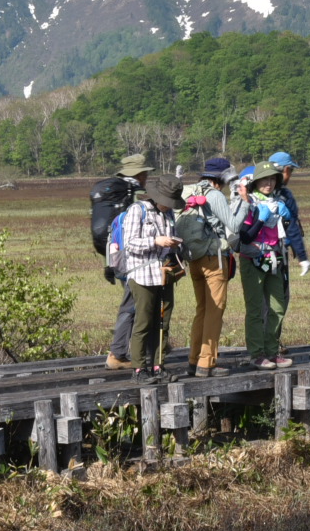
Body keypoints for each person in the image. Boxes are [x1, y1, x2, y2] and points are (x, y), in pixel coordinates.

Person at [179, 158, 242, 377]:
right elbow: (234, 225)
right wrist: (244, 201)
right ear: (222, 178)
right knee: (215, 312)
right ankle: (207, 363)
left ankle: (193, 359)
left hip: (194, 259)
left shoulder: (189, 191)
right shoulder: (215, 195)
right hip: (214, 259)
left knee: (202, 310)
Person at [119, 173, 183, 383]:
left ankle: (158, 366)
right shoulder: (137, 210)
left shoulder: (169, 214)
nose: (168, 206)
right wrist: (156, 241)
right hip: (142, 276)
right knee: (144, 322)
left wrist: (174, 245)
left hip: (164, 275)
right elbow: (130, 243)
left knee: (163, 323)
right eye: (166, 201)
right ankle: (139, 369)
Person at [235, 163, 294, 369]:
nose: (269, 183)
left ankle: (272, 351)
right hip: (252, 259)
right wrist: (260, 219)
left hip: (273, 258)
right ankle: (257, 354)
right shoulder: (248, 203)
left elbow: (282, 231)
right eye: (264, 179)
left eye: (272, 179)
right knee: (255, 309)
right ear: (256, 182)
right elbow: (244, 236)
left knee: (277, 307)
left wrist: (287, 218)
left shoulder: (278, 202)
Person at [96, 154, 149, 370]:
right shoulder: (134, 195)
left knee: (132, 304)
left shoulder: (114, 195)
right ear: (140, 174)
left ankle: (134, 350)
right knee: (131, 306)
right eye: (145, 173)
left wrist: (109, 263)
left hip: (116, 258)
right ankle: (117, 354)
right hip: (133, 261)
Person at [266, 151, 310, 278]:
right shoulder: (285, 195)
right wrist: (302, 257)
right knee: (280, 286)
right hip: (278, 250)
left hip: (255, 252)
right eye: (291, 170)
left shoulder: (255, 191)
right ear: (286, 169)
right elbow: (291, 226)